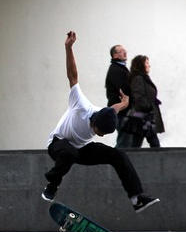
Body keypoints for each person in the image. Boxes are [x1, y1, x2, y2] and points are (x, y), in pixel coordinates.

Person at [41, 31, 160, 213]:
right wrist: (68, 47)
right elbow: (73, 76)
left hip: (82, 149)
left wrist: (125, 102)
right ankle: (52, 185)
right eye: (99, 132)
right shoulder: (80, 104)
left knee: (118, 155)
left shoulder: (106, 113)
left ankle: (137, 198)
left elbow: (116, 108)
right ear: (94, 122)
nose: (101, 135)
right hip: (58, 144)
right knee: (69, 153)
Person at [127, 55, 165, 148]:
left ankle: (130, 159)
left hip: (145, 117)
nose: (149, 65)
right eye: (147, 63)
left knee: (138, 143)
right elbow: (139, 97)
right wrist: (149, 106)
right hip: (143, 117)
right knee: (151, 143)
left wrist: (154, 101)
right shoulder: (138, 79)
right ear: (141, 65)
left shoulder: (143, 78)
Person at [105, 44, 135, 148]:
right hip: (122, 111)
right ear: (115, 55)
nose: (125, 52)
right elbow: (124, 89)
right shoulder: (116, 70)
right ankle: (114, 161)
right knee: (124, 143)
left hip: (124, 111)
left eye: (124, 50)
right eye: (121, 51)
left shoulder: (121, 68)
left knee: (127, 141)